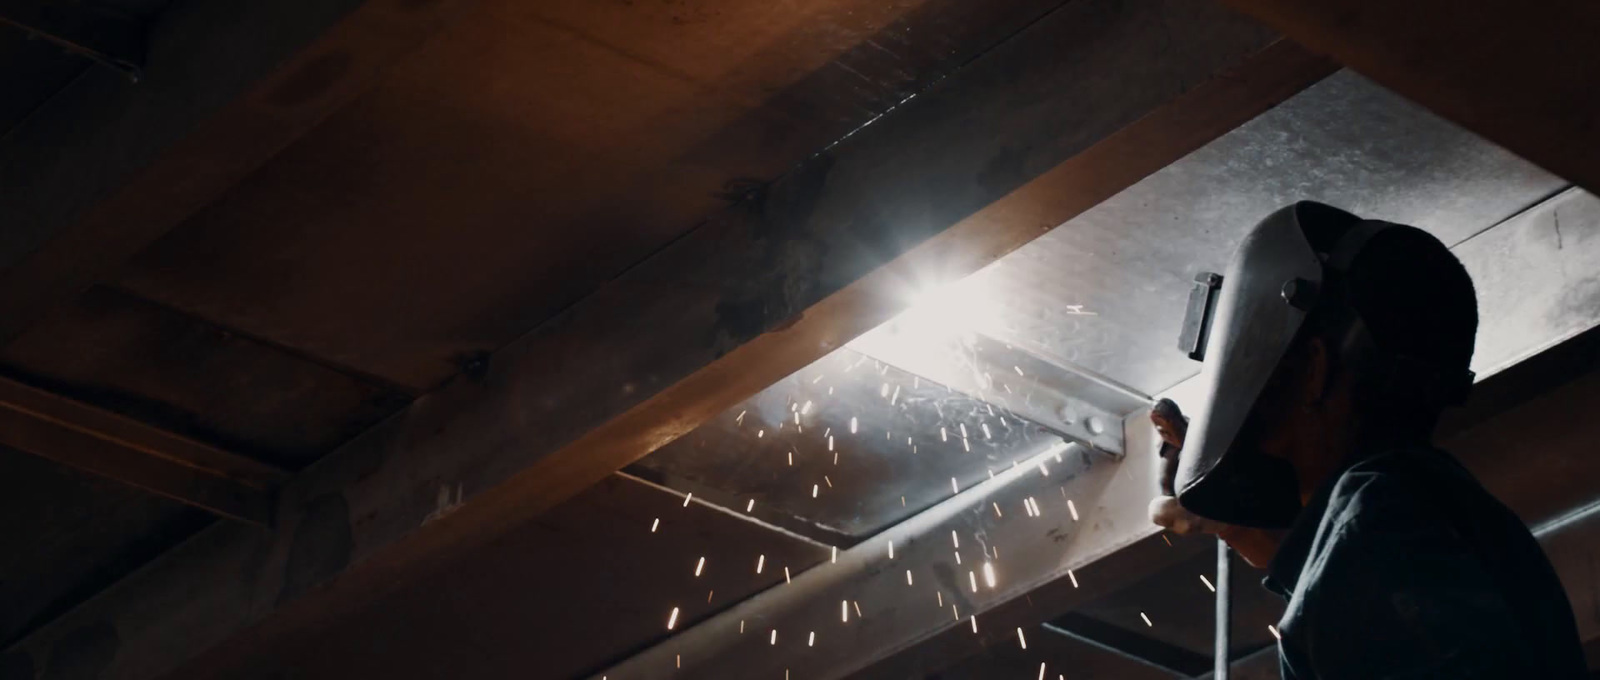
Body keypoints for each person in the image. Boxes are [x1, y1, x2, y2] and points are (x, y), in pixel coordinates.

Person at [1147, 202, 1586, 678]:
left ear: (1313, 372)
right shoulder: (1423, 514)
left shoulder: (1378, 522)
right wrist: (1242, 527)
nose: (1251, 395)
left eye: (1262, 367)